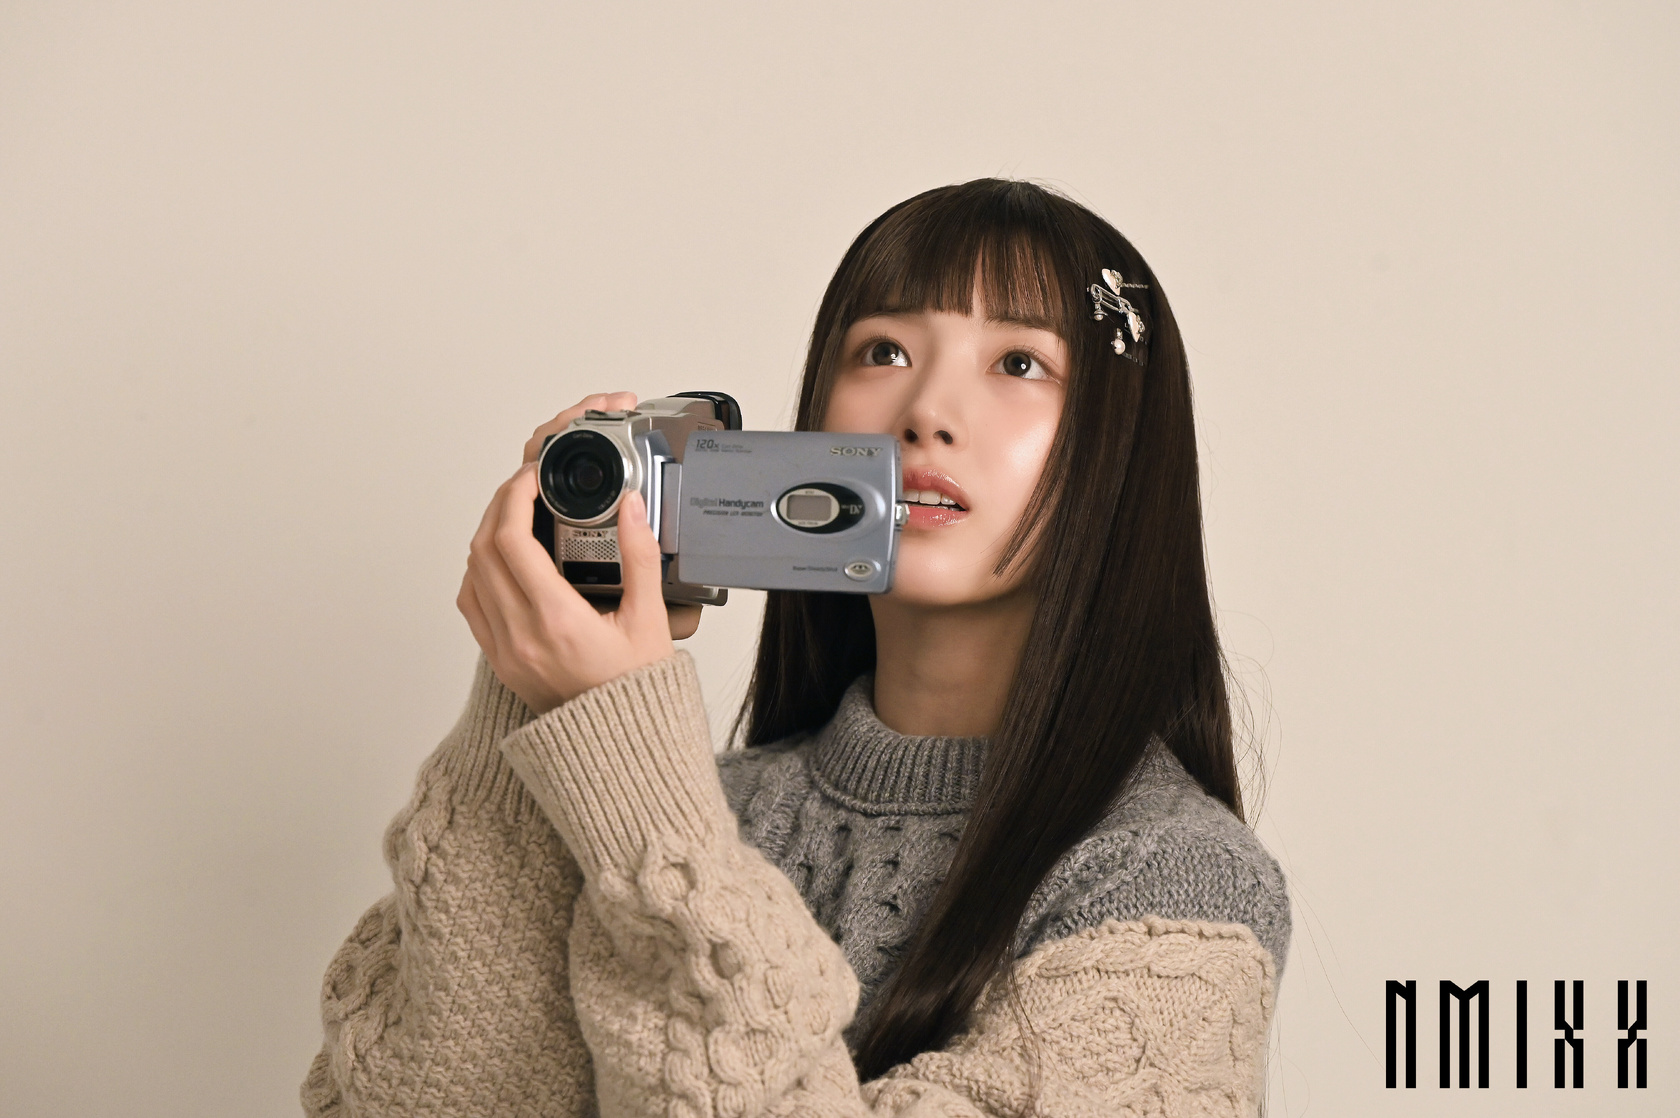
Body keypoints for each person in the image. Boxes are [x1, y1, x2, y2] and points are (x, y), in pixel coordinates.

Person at [301, 178, 1290, 1117]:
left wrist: (644, 792)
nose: (926, 413)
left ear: (1123, 452)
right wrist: (536, 693)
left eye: (1019, 364)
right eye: (883, 351)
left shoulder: (1173, 883)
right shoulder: (677, 810)